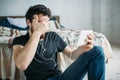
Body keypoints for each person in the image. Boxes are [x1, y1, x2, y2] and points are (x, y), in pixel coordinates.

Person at [12, 4, 105, 80]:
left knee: (97, 50)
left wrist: (82, 49)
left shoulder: (53, 36)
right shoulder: (19, 40)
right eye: (40, 22)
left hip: (59, 78)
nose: (44, 26)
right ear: (29, 22)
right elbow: (22, 65)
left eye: (46, 22)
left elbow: (71, 55)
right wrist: (36, 33)